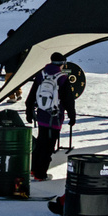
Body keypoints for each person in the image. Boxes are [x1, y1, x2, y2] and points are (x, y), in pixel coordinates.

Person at [29, 53, 74, 182]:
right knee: (48, 146)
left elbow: (32, 95)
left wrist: (29, 110)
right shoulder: (62, 78)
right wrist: (72, 115)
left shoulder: (41, 75)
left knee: (40, 142)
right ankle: (40, 174)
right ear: (62, 63)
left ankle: (33, 169)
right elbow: (68, 100)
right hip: (54, 117)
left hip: (42, 115)